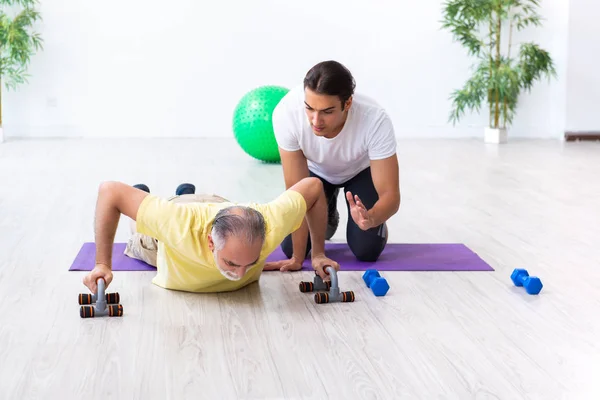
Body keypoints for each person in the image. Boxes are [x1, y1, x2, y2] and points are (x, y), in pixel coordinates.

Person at [82, 177, 340, 295]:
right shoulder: (178, 226)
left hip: (221, 206)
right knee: (139, 236)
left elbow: (314, 187)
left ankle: (185, 191)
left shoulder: (270, 222)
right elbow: (110, 192)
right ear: (210, 243)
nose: (240, 274)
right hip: (177, 213)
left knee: (189, 202)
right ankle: (145, 193)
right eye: (231, 263)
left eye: (250, 263)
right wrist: (102, 264)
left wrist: (316, 254)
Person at [267, 60, 400, 271]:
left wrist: (371, 217)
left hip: (360, 172)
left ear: (347, 104)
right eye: (310, 109)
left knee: (367, 251)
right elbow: (296, 196)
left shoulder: (375, 120)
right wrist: (301, 258)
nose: (315, 120)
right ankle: (327, 210)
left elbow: (391, 197)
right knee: (292, 246)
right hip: (316, 172)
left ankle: (353, 218)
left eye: (327, 112)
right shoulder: (286, 113)